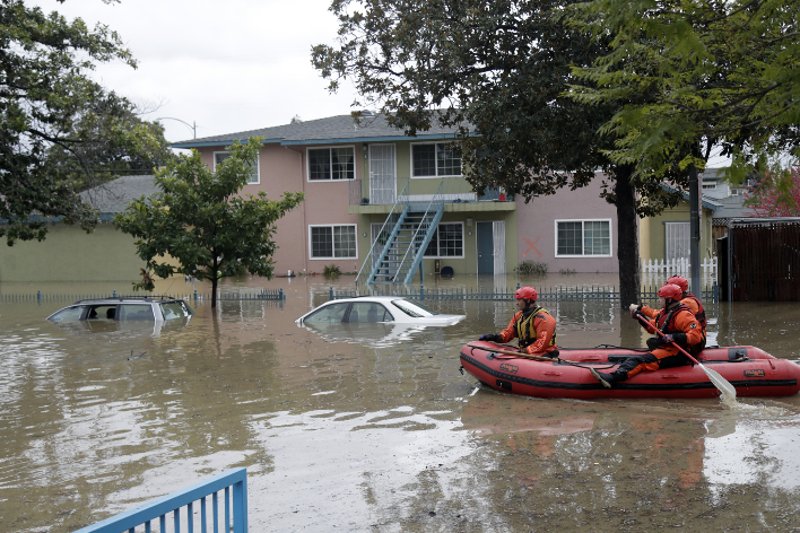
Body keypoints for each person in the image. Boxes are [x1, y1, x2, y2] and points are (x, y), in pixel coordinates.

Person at [590, 283, 703, 388]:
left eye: (661, 298)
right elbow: (651, 327)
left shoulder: (683, 315)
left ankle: (613, 378)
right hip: (668, 348)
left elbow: (696, 337)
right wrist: (641, 318)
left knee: (640, 360)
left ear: (669, 299)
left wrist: (674, 337)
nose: (659, 301)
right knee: (645, 348)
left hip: (678, 353)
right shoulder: (666, 313)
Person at [632, 274, 707, 354]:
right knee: (653, 342)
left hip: (696, 340)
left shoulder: (685, 303)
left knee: (656, 342)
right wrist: (641, 317)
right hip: (689, 334)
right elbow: (660, 318)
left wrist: (642, 309)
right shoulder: (676, 304)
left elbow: (658, 315)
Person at [478, 286, 559, 358]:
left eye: (519, 300)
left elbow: (542, 342)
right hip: (527, 352)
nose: (517, 303)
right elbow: (508, 334)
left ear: (528, 301)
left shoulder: (543, 318)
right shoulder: (519, 316)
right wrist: (493, 337)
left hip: (544, 353)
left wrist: (525, 351)